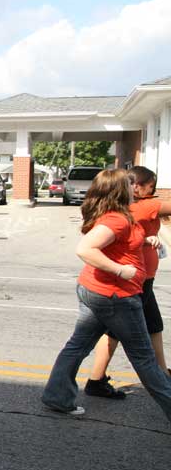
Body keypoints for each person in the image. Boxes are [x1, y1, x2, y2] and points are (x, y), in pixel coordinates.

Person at [41, 168, 171, 420]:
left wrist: (145, 241)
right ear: (122, 190)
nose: (136, 188)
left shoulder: (116, 215)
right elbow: (85, 249)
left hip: (96, 291)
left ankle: (57, 397)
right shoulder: (118, 219)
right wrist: (121, 270)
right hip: (116, 297)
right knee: (145, 359)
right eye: (130, 184)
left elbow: (117, 242)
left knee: (77, 346)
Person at [85, 166, 171, 398]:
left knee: (152, 326)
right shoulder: (146, 205)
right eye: (151, 187)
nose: (153, 192)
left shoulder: (125, 208)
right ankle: (160, 382)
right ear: (136, 187)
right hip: (135, 280)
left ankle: (161, 374)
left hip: (140, 279)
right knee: (123, 335)